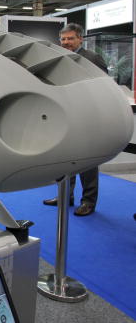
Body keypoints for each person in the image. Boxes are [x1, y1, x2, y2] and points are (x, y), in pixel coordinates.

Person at [43, 23, 108, 216]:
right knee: (64, 157)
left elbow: (105, 86)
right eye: (63, 39)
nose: (66, 42)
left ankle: (88, 201)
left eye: (70, 38)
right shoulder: (58, 57)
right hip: (65, 114)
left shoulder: (92, 59)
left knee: (87, 160)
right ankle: (66, 196)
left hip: (88, 115)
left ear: (80, 38)